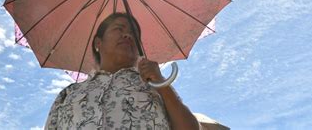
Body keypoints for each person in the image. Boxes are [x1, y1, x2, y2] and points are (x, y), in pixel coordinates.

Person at [44, 12, 200, 129]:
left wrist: (162, 84)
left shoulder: (155, 84)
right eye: (119, 29)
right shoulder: (68, 94)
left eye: (134, 34)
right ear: (98, 43)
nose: (128, 35)